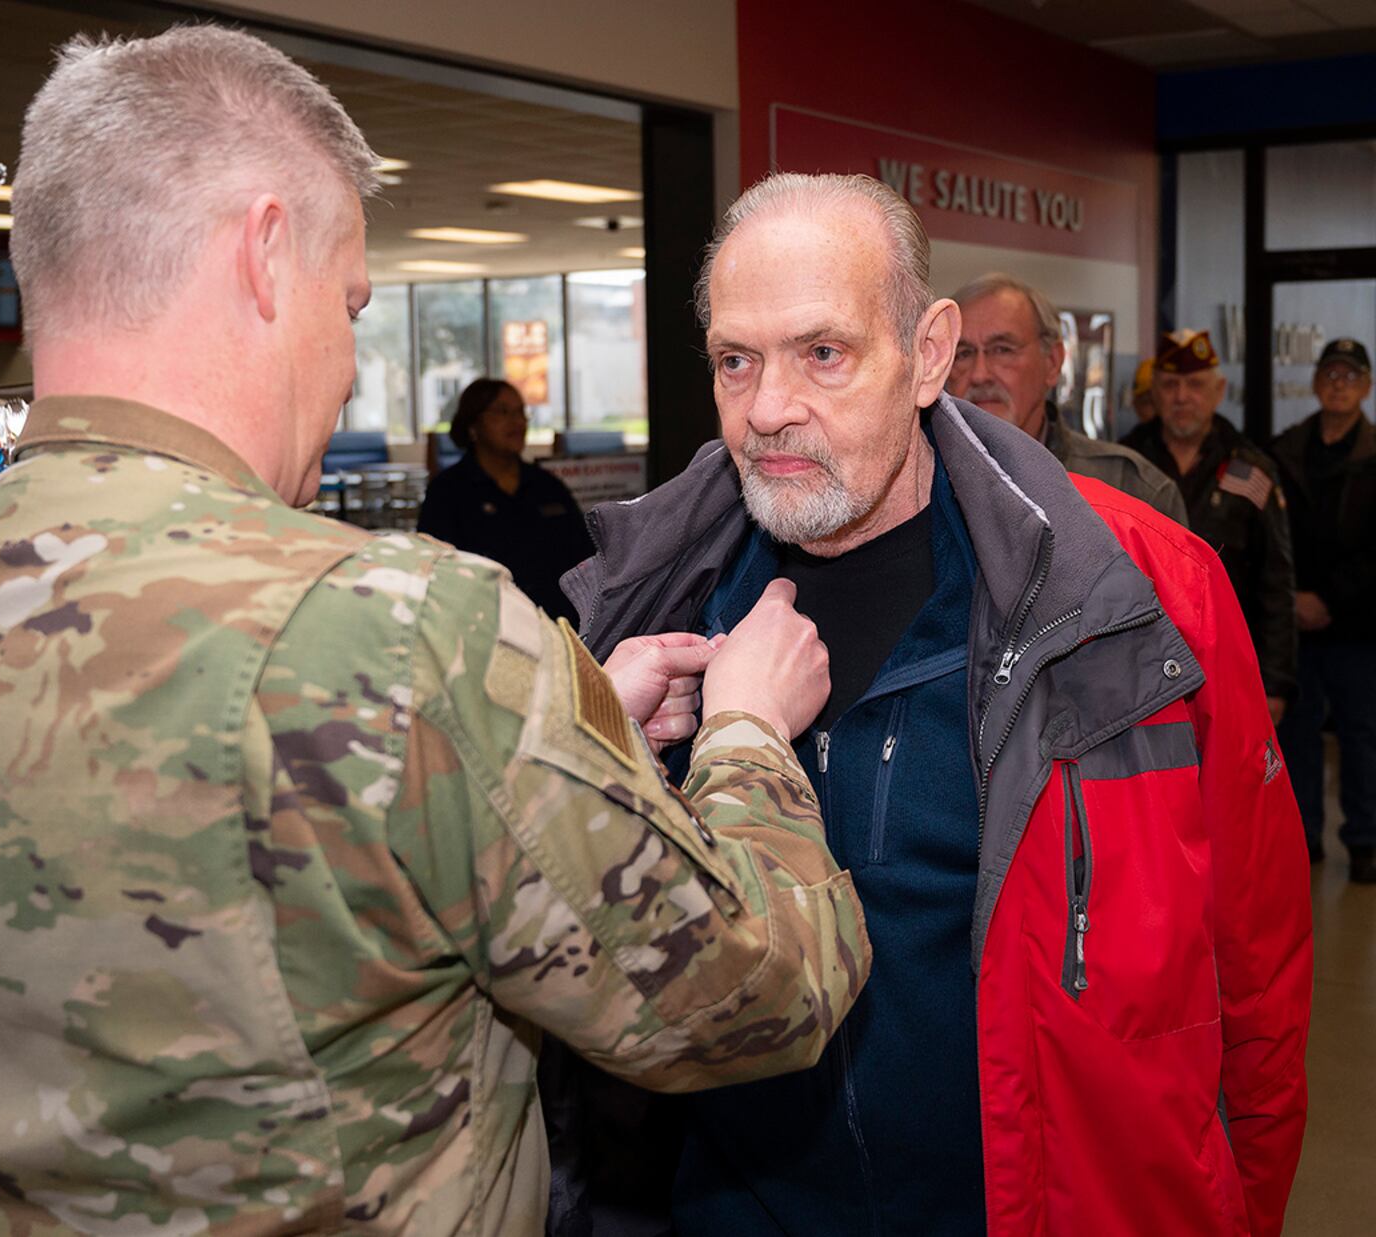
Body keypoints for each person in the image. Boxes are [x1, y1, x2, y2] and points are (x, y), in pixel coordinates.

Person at [0, 31, 872, 1235]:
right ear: (262, 255)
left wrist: (572, 721)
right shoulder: (408, 638)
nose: (352, 366)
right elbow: (754, 996)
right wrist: (750, 734)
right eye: (350, 302)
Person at [555, 172, 1311, 1237]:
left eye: (822, 352)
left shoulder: (1136, 600)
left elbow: (1257, 970)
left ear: (928, 353)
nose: (768, 407)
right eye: (736, 360)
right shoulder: (651, 614)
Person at [1122, 330, 1297, 720]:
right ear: (1154, 394)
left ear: (1219, 391)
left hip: (1228, 664)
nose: (1182, 396)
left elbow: (1275, 582)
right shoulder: (1125, 465)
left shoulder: (1249, 470)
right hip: (1141, 668)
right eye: (1169, 384)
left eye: (1195, 384)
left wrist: (1275, 683)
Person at [945, 272, 1186, 525]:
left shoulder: (1133, 490)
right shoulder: (919, 482)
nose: (980, 374)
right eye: (963, 353)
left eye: (1003, 350)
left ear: (1052, 362)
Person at [1273, 337, 1376, 882]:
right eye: (1330, 375)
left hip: (1357, 626)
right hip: (1295, 626)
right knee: (1298, 733)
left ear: (1366, 386)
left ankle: (1365, 841)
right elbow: (1271, 536)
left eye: (1350, 376)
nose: (1338, 385)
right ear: (1316, 383)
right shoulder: (1285, 449)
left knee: (1361, 735)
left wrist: (1329, 599)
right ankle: (1303, 836)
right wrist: (1293, 599)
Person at [418, 377, 593, 622]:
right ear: (473, 426)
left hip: (556, 626)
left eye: (521, 413)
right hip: (484, 627)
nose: (517, 422)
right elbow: (436, 572)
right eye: (503, 412)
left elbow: (583, 557)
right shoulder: (449, 491)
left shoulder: (547, 486)